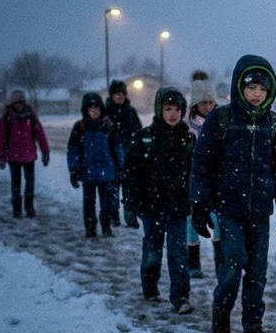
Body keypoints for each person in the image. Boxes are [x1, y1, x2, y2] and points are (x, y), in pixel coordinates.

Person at [190, 55, 276, 333]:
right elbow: (201, 164)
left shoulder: (274, 123)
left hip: (260, 210)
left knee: (258, 271)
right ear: (240, 87)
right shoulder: (221, 119)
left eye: (263, 89)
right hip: (230, 209)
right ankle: (221, 313)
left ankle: (253, 326)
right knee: (233, 264)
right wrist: (198, 204)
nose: (257, 94)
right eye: (252, 87)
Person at [124, 86, 196, 314]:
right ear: (159, 109)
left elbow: (196, 172)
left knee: (178, 253)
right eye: (168, 109)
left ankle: (180, 296)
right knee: (153, 250)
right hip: (151, 206)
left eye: (177, 109)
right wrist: (130, 203)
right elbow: (130, 174)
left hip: (177, 207)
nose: (173, 114)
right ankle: (150, 286)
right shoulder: (144, 138)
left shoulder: (187, 139)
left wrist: (200, 198)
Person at [67, 93, 123, 237]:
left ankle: (106, 225)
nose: (94, 111)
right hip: (88, 172)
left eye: (97, 108)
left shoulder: (108, 127)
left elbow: (117, 148)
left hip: (106, 172)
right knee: (89, 203)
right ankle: (90, 227)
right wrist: (74, 169)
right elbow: (73, 151)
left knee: (107, 203)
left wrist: (121, 167)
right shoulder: (80, 127)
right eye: (91, 108)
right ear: (86, 110)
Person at [186, 71, 221, 280]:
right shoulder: (188, 128)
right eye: (203, 102)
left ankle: (219, 262)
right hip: (194, 180)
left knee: (217, 222)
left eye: (210, 102)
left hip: (215, 182)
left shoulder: (220, 123)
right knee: (192, 222)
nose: (208, 106)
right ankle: (193, 262)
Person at [0, 90, 50, 218]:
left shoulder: (31, 117)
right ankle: (17, 208)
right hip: (13, 157)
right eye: (17, 102)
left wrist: (45, 152)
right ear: (12, 103)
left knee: (30, 184)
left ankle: (29, 207)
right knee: (16, 184)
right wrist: (0, 155)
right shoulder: (7, 118)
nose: (19, 105)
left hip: (29, 157)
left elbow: (40, 135)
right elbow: (0, 138)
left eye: (21, 102)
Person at [106, 79, 144, 228]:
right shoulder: (106, 111)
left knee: (130, 190)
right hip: (112, 155)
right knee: (113, 190)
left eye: (122, 93)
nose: (119, 96)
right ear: (112, 95)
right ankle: (114, 216)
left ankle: (130, 217)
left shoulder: (130, 111)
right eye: (116, 94)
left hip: (129, 155)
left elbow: (138, 130)